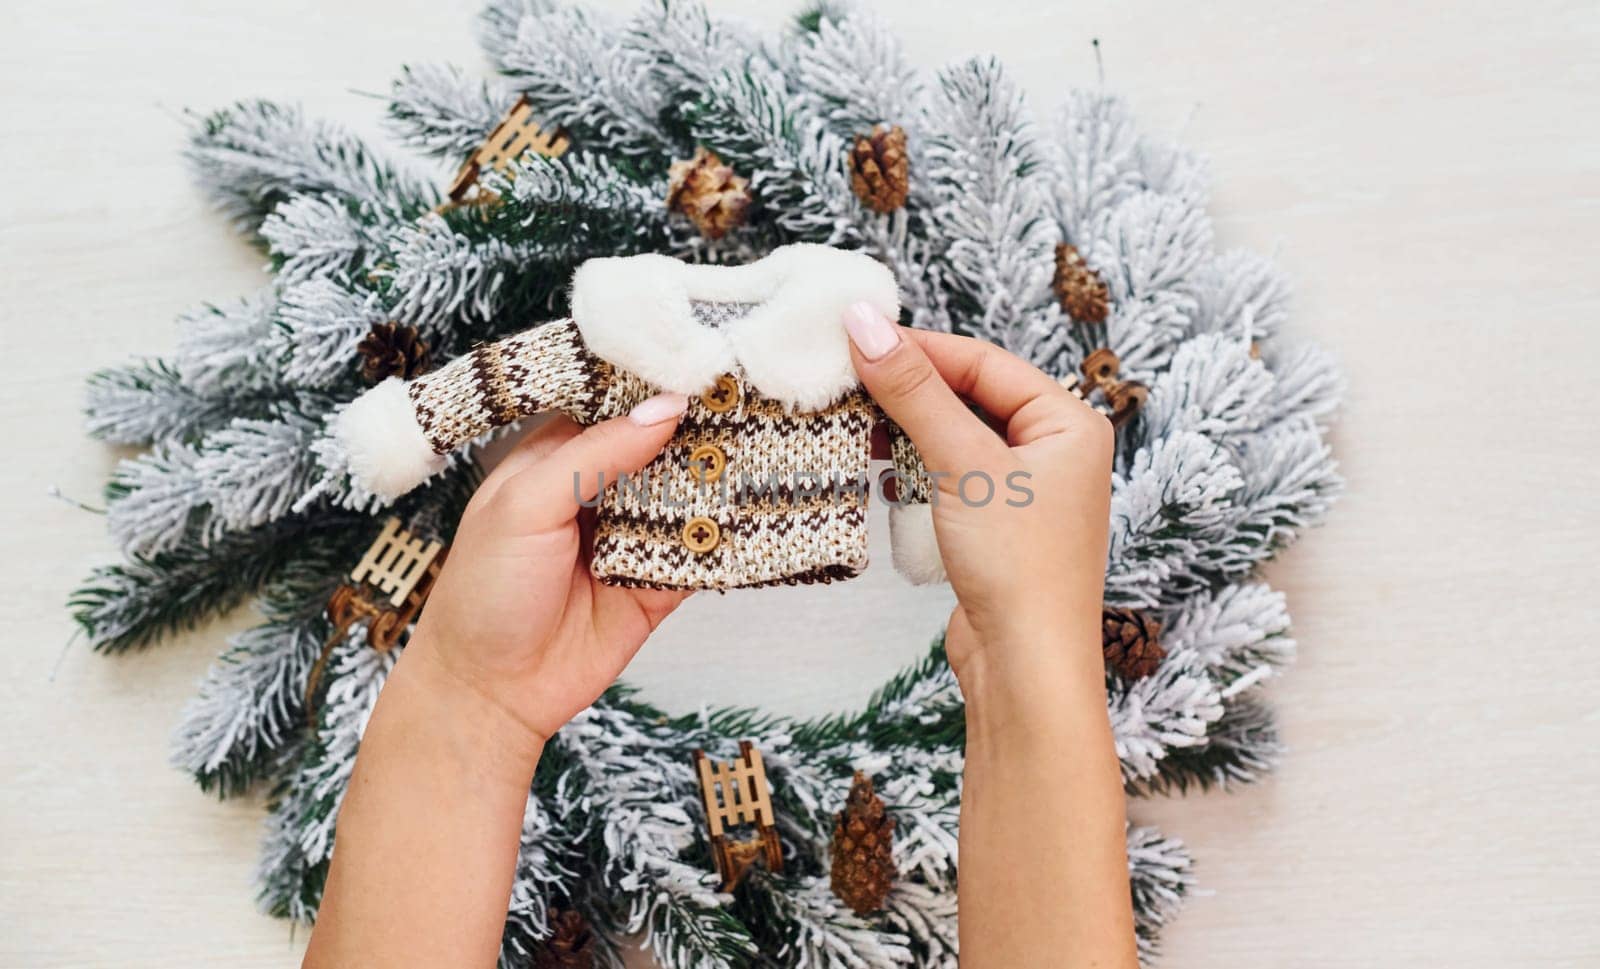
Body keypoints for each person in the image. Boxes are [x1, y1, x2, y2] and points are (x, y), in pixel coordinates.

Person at [303, 302, 1138, 968]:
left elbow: (922, 440)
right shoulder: (616, 328)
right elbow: (498, 380)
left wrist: (469, 693)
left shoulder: (823, 340)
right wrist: (1027, 643)